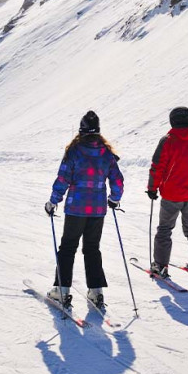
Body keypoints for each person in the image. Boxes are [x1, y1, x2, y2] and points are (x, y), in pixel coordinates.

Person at [44, 111, 124, 308]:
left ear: (81, 130)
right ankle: (96, 292)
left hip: (76, 209)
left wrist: (53, 201)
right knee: (92, 248)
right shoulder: (106, 153)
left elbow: (63, 178)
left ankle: (62, 291)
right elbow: (117, 180)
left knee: (68, 247)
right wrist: (114, 198)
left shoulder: (75, 151)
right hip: (97, 210)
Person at [146, 107, 188, 278]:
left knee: (165, 229)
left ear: (172, 121)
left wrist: (152, 188)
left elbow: (157, 167)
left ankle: (161, 266)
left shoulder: (168, 141)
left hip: (172, 195)